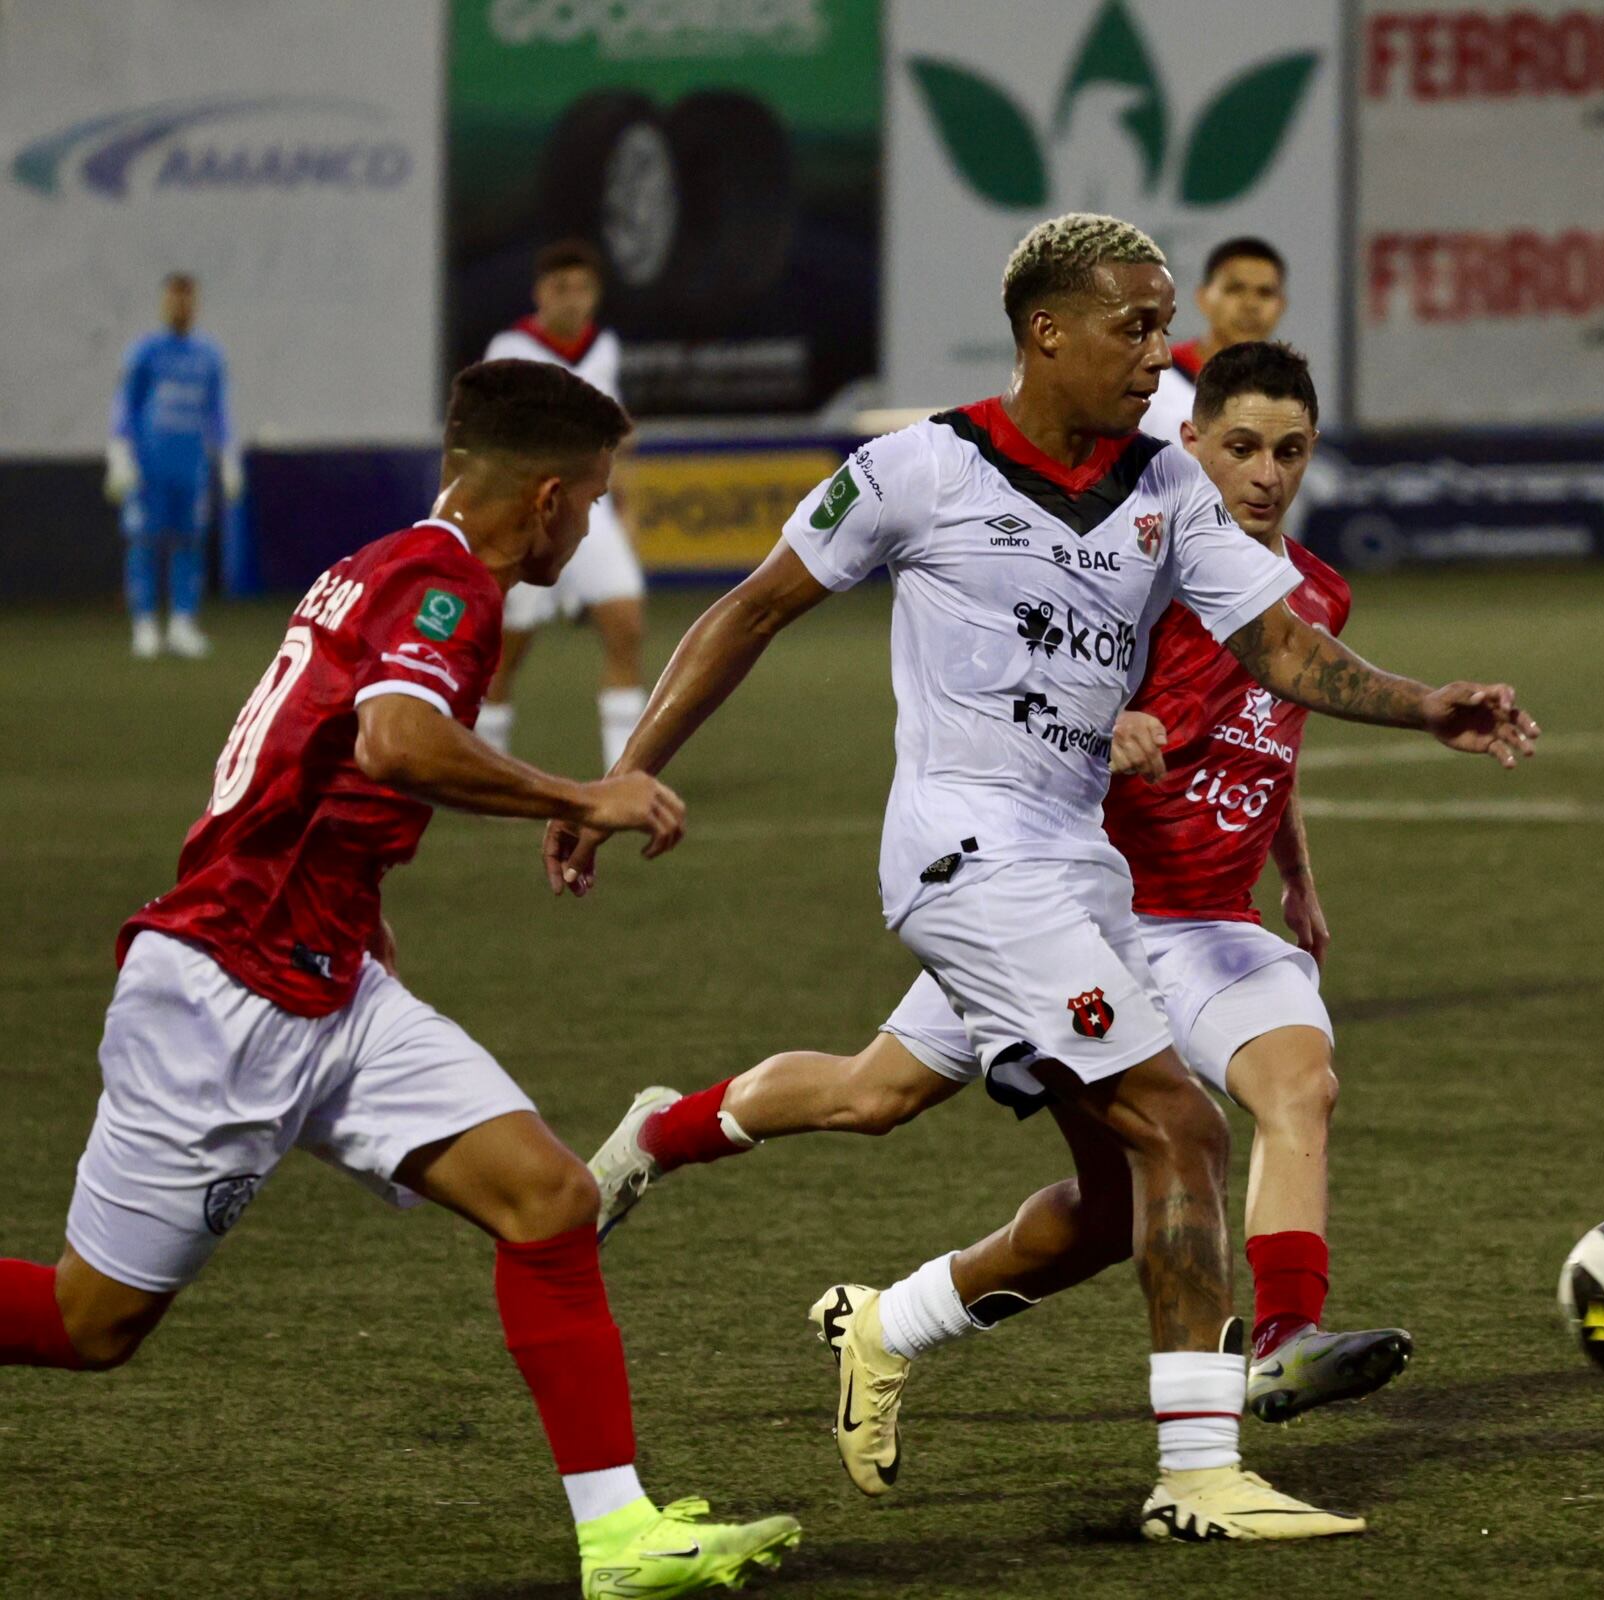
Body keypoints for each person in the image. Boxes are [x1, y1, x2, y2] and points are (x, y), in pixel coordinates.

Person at [545, 214, 1538, 1542]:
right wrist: (628, 770)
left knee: (1068, 1172)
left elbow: (1279, 647)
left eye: (1161, 322)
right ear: (1045, 333)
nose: (1157, 350)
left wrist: (1429, 709)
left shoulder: (1166, 490)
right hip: (965, 854)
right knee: (1180, 1124)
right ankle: (1196, 1475)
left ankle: (847, 1292)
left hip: (1080, 871)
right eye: (1134, 324)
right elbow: (749, 611)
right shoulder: (915, 470)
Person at [1, 360, 800, 1600]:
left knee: (548, 1196)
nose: (589, 526)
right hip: (227, 992)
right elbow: (394, 740)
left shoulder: (382, 565)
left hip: (332, 974)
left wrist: (370, 934)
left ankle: (621, 1537)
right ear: (544, 500)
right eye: (590, 502)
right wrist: (578, 790)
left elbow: (330, 771)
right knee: (91, 1323)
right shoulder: (445, 586)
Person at [588, 339, 1412, 1434]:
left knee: (1292, 1084)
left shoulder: (1313, 596)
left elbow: (1274, 736)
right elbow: (1036, 675)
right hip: (1056, 904)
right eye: (1244, 448)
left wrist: (1296, 873)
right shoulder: (1136, 556)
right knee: (871, 1096)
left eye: (1291, 452)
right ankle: (670, 1139)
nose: (1266, 473)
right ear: (1192, 444)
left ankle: (1281, 1339)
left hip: (1205, 920)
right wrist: (1097, 722)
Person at [479, 240, 650, 768]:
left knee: (626, 623)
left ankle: (623, 771)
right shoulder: (510, 348)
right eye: (560, 288)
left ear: (595, 295)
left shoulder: (604, 346)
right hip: (526, 514)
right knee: (508, 651)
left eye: (581, 288)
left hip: (587, 511)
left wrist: (625, 500)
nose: (571, 299)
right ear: (539, 294)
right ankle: (487, 765)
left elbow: (615, 434)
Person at [107, 272, 237, 660]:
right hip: (149, 467)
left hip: (191, 467)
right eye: (174, 299)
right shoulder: (144, 353)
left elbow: (217, 412)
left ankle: (182, 623)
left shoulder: (208, 356)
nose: (181, 307)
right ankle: (144, 625)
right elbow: (125, 405)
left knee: (189, 544)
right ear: (164, 303)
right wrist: (119, 452)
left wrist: (228, 457)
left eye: (187, 300)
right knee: (144, 544)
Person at [1141, 237, 1288, 445]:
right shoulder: (1156, 379)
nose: (1251, 304)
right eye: (1235, 289)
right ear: (1202, 298)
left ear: (1281, 305)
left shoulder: (1289, 388)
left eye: (1265, 293)